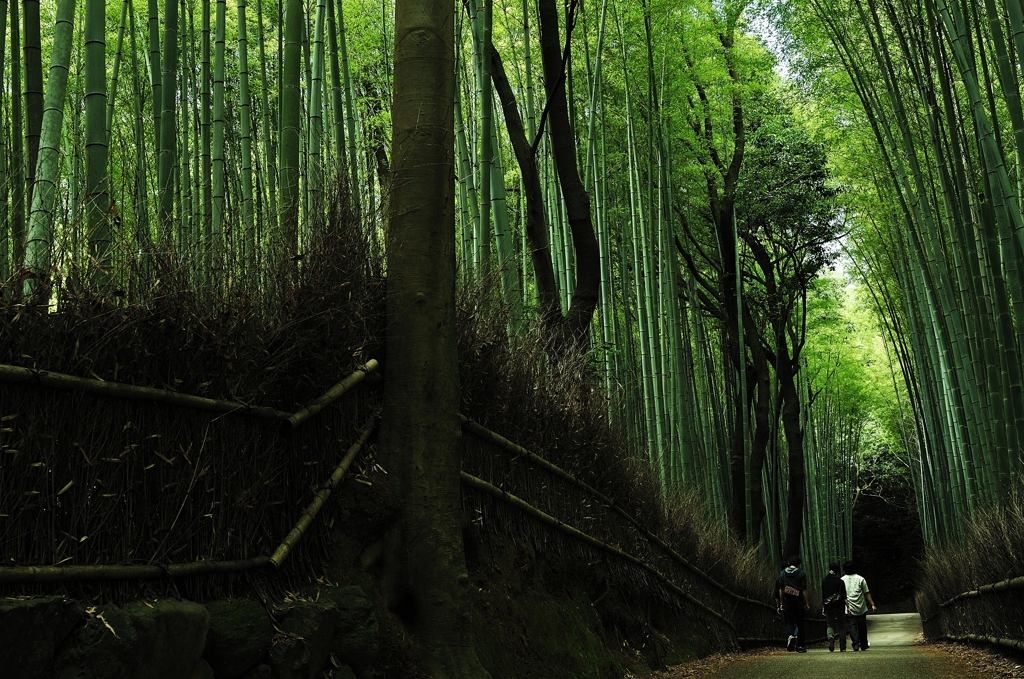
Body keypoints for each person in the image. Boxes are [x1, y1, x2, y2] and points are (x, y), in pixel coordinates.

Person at [777, 555, 810, 652]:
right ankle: (800, 646)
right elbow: (804, 589)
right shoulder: (801, 574)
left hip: (787, 600)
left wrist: (781, 602)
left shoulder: (782, 573)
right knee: (800, 622)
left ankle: (790, 635)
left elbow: (781, 589)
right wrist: (806, 602)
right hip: (798, 600)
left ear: (789, 563)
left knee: (789, 621)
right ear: (798, 564)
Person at [842, 560, 877, 651]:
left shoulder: (842, 580)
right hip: (860, 606)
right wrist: (872, 604)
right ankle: (864, 644)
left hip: (848, 607)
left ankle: (855, 644)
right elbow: (866, 592)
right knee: (862, 626)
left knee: (852, 626)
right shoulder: (860, 579)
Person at [821, 561, 848, 652]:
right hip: (840, 605)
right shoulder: (840, 582)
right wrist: (848, 607)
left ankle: (831, 639)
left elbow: (823, 596)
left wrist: (823, 607)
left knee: (830, 624)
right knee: (841, 626)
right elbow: (844, 597)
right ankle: (843, 646)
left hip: (829, 606)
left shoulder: (824, 581)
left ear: (829, 569)